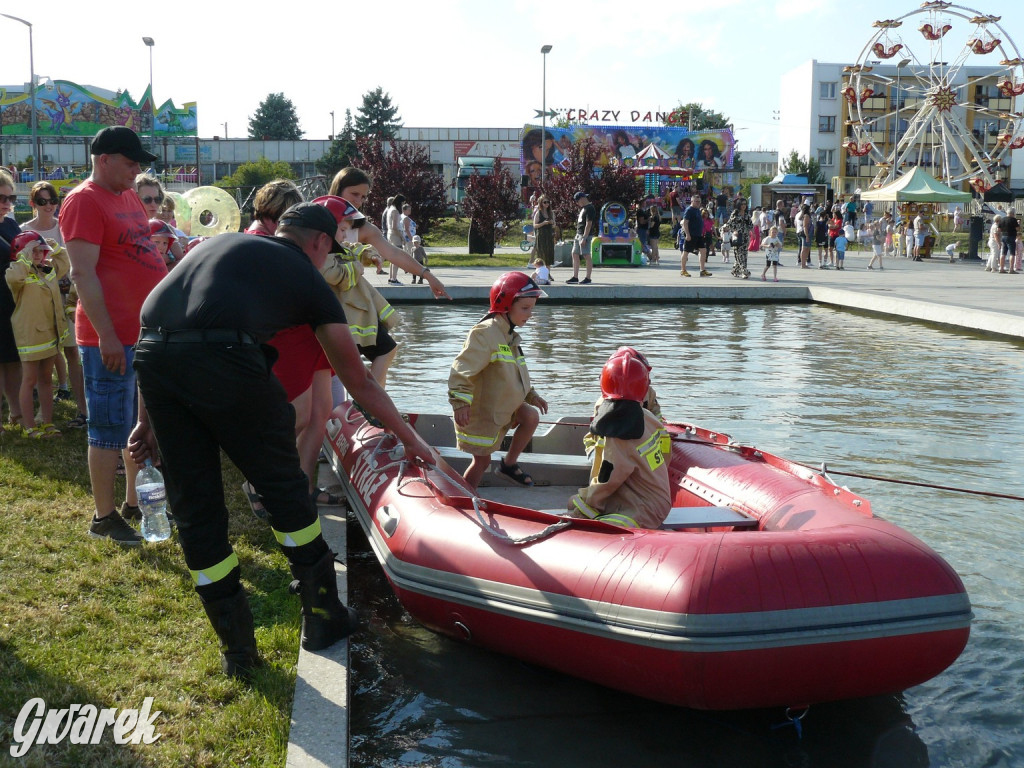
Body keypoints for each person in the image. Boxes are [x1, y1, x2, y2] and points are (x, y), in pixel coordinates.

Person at [128, 201, 434, 678]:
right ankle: (324, 616)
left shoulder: (219, 246)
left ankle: (238, 653)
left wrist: (146, 421)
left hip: (153, 358)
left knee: (195, 506)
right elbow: (360, 381)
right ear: (320, 243)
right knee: (284, 488)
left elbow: (156, 329)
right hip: (225, 358)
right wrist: (410, 437)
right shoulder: (308, 276)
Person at [60, 126, 167, 546]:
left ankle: (132, 503)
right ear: (104, 159)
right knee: (107, 426)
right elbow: (82, 272)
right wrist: (105, 335)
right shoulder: (83, 201)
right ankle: (103, 517)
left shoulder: (126, 195)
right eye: (130, 162)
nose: (136, 170)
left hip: (140, 331)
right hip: (109, 335)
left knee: (137, 423)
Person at [448, 272, 549, 489]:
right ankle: (465, 497)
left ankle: (508, 465)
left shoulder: (509, 335)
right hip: (483, 411)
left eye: (532, 308)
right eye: (525, 308)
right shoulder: (485, 334)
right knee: (482, 461)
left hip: (502, 407)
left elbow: (516, 373)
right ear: (505, 305)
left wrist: (532, 395)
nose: (530, 314)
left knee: (530, 416)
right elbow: (462, 369)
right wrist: (460, 401)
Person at [567, 352, 670, 529]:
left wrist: (584, 508)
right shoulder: (649, 418)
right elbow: (666, 452)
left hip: (641, 508)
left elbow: (608, 479)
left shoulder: (620, 430)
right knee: (574, 501)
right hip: (654, 499)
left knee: (580, 516)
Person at [327, 168, 447, 299]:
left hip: (341, 297)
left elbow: (393, 253)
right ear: (338, 189)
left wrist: (427, 275)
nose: (358, 201)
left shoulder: (364, 229)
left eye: (363, 197)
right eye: (354, 194)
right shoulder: (315, 216)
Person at [22, 180, 86, 424]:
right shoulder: (24, 230)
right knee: (43, 357)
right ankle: (43, 412)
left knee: (72, 353)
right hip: (38, 300)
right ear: (32, 204)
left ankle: (83, 410)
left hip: (66, 297)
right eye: (42, 201)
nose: (48, 206)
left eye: (52, 201)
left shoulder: (65, 228)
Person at [5, 232, 69, 436]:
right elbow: (15, 278)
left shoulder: (48, 271)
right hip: (31, 337)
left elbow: (65, 263)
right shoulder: (16, 272)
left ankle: (47, 423)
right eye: (34, 251)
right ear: (21, 253)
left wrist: (54, 248)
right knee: (30, 380)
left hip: (50, 335)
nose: (39, 255)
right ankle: (30, 426)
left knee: (46, 380)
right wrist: (25, 255)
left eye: (41, 251)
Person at [0, 169, 24, 432]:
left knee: (13, 359)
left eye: (10, 198)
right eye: (1, 198)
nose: (6, 203)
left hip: (13, 300)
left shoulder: (10, 224)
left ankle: (16, 412)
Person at [136, 173, 184, 263]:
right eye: (147, 199)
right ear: (134, 199)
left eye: (157, 200)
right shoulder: (126, 227)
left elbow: (181, 261)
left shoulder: (164, 227)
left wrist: (169, 259)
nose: (153, 204)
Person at [568, 191, 596, 284]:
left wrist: (584, 237)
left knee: (586, 255)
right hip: (578, 234)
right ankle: (575, 276)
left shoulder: (589, 208)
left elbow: (589, 223)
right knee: (574, 253)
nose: (577, 203)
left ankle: (588, 278)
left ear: (581, 199)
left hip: (584, 235)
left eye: (577, 201)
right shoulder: (583, 209)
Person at [679, 195, 710, 278]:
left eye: (699, 201)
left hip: (698, 235)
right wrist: (687, 234)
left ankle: (702, 270)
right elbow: (685, 222)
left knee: (703, 250)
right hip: (691, 234)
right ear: (692, 201)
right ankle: (683, 270)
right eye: (696, 201)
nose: (698, 203)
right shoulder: (689, 210)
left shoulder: (697, 210)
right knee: (686, 252)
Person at [728, 198, 752, 279]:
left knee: (744, 255)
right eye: (742, 204)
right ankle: (745, 272)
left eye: (745, 204)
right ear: (739, 205)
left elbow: (750, 225)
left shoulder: (746, 214)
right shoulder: (735, 213)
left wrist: (753, 233)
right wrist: (734, 231)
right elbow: (729, 224)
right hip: (737, 237)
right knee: (739, 255)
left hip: (745, 237)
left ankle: (735, 270)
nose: (743, 206)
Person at [385, 194, 407, 284]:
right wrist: (402, 237)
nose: (402, 206)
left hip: (390, 234)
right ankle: (394, 278)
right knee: (397, 257)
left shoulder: (390, 209)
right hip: (395, 235)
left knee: (392, 257)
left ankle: (391, 278)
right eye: (402, 203)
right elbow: (395, 227)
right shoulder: (395, 211)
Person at [532, 195, 556, 267]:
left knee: (549, 255)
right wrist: (543, 223)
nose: (547, 204)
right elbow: (535, 225)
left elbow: (554, 225)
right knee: (541, 255)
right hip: (541, 236)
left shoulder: (551, 213)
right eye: (544, 202)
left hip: (549, 236)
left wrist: (552, 223)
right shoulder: (538, 213)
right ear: (541, 203)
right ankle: (541, 272)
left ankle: (547, 273)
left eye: (548, 202)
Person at [794, 203, 812, 268]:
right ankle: (803, 264)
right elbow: (805, 226)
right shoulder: (806, 216)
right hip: (805, 233)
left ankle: (803, 263)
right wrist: (807, 235)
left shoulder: (800, 215)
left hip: (800, 232)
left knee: (805, 248)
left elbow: (795, 224)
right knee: (804, 249)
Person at [647, 199, 662, 265]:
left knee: (653, 246)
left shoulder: (653, 217)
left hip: (653, 232)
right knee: (656, 246)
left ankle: (653, 258)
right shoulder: (658, 217)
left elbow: (652, 225)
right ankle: (657, 258)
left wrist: (649, 223)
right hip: (657, 231)